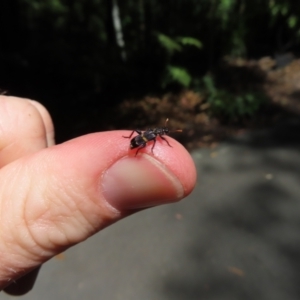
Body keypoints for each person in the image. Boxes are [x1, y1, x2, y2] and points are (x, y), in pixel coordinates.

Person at [0, 96, 197, 295]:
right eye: (163, 131)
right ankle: (136, 151)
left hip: (136, 144)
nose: (162, 133)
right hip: (136, 145)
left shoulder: (152, 134)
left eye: (164, 131)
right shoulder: (153, 137)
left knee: (144, 142)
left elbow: (150, 140)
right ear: (159, 132)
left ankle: (136, 149)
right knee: (145, 144)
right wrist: (140, 148)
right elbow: (151, 143)